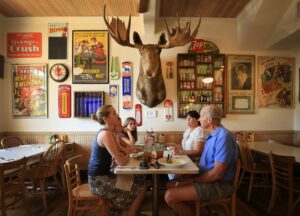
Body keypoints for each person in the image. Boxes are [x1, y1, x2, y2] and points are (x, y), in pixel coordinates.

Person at [164, 105, 238, 216]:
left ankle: (200, 212)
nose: (198, 119)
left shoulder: (223, 136)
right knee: (171, 184)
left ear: (209, 120)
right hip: (207, 178)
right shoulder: (211, 135)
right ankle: (204, 212)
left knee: (169, 196)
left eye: (201, 116)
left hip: (219, 184)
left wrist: (193, 180)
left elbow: (217, 174)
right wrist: (187, 177)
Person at [88, 105, 146, 216]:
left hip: (105, 175)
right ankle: (129, 213)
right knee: (141, 186)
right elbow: (122, 161)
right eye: (114, 113)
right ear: (106, 119)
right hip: (99, 181)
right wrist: (127, 153)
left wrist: (127, 152)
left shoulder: (110, 133)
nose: (117, 115)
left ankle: (123, 210)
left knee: (139, 178)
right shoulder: (105, 134)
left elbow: (124, 150)